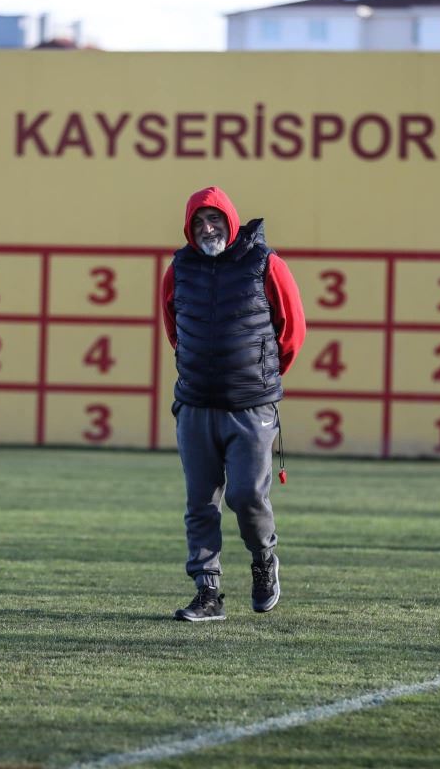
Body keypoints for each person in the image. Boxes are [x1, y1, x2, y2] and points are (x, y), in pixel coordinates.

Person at [161, 186, 306, 622]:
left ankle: (263, 560)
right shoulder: (179, 267)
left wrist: (260, 377)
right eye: (199, 222)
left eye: (215, 220)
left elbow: (292, 330)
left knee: (246, 495)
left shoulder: (265, 263)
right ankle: (207, 592)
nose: (208, 229)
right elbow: (175, 329)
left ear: (230, 220)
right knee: (201, 503)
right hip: (196, 405)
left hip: (251, 406)